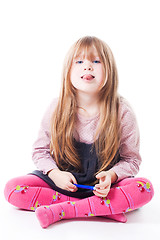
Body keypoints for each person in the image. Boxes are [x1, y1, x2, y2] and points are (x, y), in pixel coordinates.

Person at [4, 36, 154, 228]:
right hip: (62, 184)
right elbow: (40, 151)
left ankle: (64, 210)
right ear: (68, 70)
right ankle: (102, 209)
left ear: (109, 70)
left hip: (105, 189)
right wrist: (55, 173)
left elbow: (131, 160)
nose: (88, 66)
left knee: (144, 188)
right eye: (80, 61)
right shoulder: (57, 108)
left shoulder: (121, 111)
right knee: (13, 189)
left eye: (96, 61)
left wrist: (111, 176)